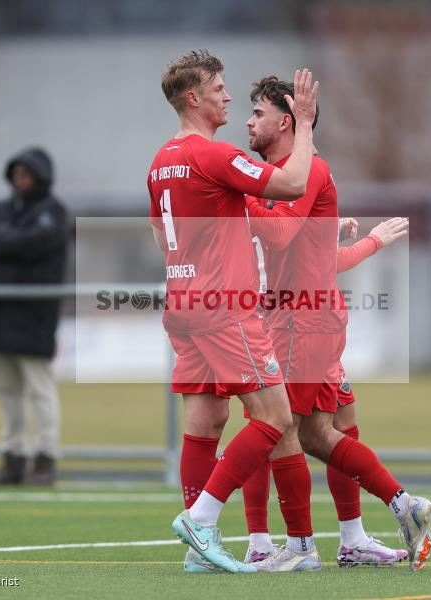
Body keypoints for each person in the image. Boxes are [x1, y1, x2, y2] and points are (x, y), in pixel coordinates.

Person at [239, 76, 431, 572]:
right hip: (303, 319)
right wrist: (366, 241)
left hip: (299, 324)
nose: (248, 121)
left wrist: (239, 192)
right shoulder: (285, 176)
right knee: (322, 431)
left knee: (278, 427)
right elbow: (317, 258)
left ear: (286, 122)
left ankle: (296, 546)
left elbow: (280, 236)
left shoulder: (302, 173)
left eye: (258, 113)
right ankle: (387, 516)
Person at [148, 50, 318, 574]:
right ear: (193, 98)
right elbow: (293, 184)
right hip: (225, 307)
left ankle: (199, 552)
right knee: (275, 417)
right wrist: (305, 123)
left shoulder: (160, 161)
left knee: (206, 421)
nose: (227, 96)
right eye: (219, 88)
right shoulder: (214, 155)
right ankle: (200, 520)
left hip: (183, 303)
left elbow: (159, 234)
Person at [241, 216, 411, 568]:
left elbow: (302, 248)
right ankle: (260, 542)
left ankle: (353, 538)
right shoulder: (266, 195)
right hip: (281, 324)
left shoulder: (281, 197)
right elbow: (312, 257)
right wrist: (373, 241)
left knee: (340, 422)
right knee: (270, 428)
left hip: (316, 326)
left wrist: (326, 228)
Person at [0, 147, 67, 487]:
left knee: (40, 389)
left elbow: (36, 244)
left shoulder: (53, 211)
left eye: (26, 174)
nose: (20, 180)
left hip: (34, 316)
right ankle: (12, 456)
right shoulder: (1, 209)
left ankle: (45, 457)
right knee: (7, 390)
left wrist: (1, 242)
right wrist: (12, 243)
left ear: (40, 177)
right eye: (16, 174)